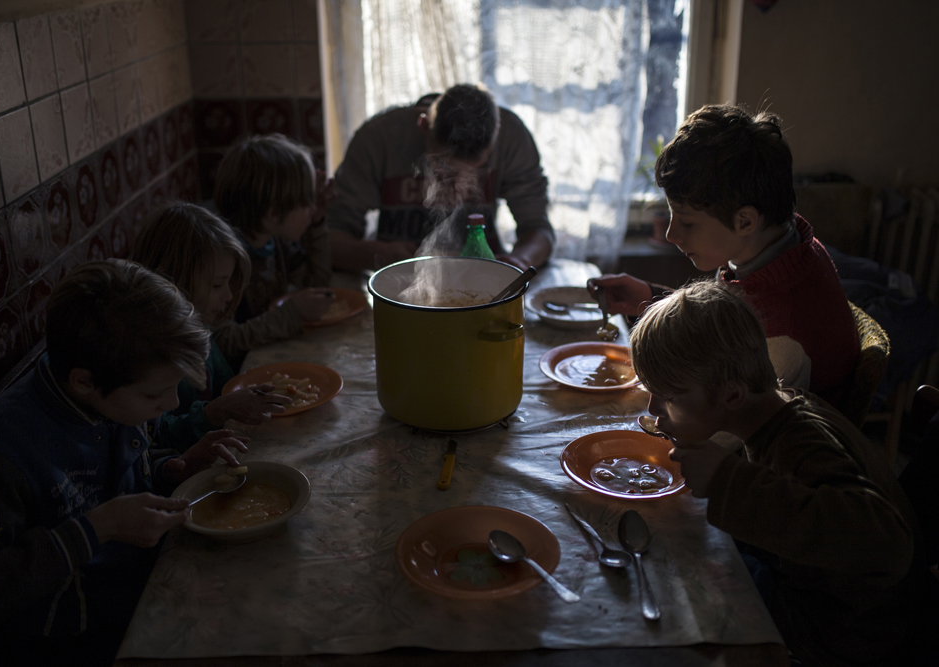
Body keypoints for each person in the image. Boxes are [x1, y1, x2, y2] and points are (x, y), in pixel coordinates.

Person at [0, 260, 249, 665]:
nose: (172, 404)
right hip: (73, 643)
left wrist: (171, 468)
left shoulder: (111, 398)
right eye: (156, 395)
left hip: (141, 593)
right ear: (83, 381)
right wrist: (98, 529)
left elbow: (119, 478)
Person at [630, 280, 927, 667]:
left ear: (732, 396)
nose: (655, 410)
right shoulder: (770, 414)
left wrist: (727, 482)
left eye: (668, 397)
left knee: (671, 601)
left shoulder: (802, 440)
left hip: (842, 632)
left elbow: (888, 545)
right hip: (811, 592)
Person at [588, 104, 858, 402]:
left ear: (744, 221)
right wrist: (648, 299)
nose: (671, 234)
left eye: (687, 222)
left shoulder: (782, 337)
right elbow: (722, 329)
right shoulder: (776, 249)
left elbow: (731, 437)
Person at [326, 83, 555, 272]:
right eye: (443, 168)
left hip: (482, 276)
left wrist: (520, 261)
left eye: (473, 170)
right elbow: (331, 238)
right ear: (423, 125)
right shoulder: (378, 139)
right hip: (399, 281)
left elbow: (538, 229)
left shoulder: (512, 136)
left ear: (497, 135)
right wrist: (375, 255)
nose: (455, 187)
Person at [131, 203, 298, 451]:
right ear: (174, 279)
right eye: (217, 285)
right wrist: (212, 413)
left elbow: (226, 383)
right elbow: (157, 437)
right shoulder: (150, 353)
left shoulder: (201, 328)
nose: (229, 296)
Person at [212, 133, 335, 363]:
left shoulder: (275, 242)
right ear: (274, 214)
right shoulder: (225, 264)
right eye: (307, 201)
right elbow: (223, 342)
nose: (314, 206)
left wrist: (316, 223)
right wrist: (291, 314)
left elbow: (316, 282)